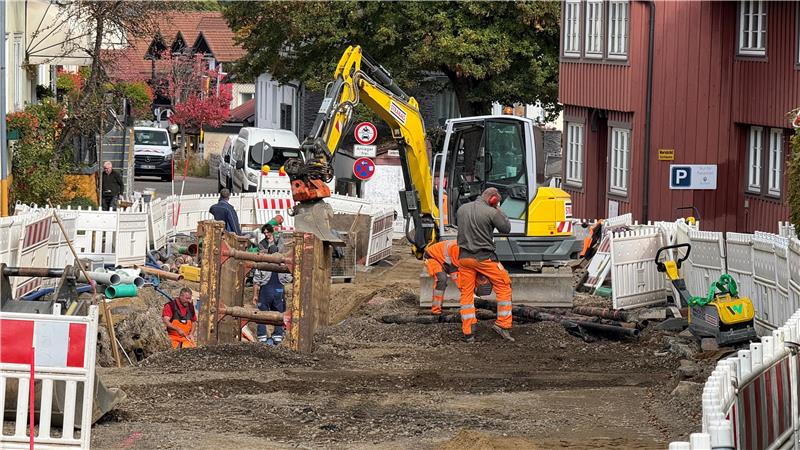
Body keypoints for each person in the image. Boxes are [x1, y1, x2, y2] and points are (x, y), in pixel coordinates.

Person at [456, 187, 514, 343]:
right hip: (484, 258)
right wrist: (498, 209)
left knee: (466, 292)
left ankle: (468, 332)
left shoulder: (462, 209)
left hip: (463, 258)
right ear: (493, 199)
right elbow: (506, 228)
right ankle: (503, 324)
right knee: (504, 285)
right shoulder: (492, 212)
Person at [252, 243, 292, 345]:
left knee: (261, 314)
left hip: (265, 292)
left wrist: (255, 295)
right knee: (279, 314)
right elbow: (289, 278)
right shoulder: (283, 265)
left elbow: (256, 281)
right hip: (279, 292)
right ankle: (278, 336)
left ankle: (262, 337)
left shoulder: (262, 263)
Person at [423, 240, 461, 315]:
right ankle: (436, 310)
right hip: (433, 257)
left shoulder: (469, 250)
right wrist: (466, 291)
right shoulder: (456, 248)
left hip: (445, 261)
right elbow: (454, 273)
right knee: (441, 279)